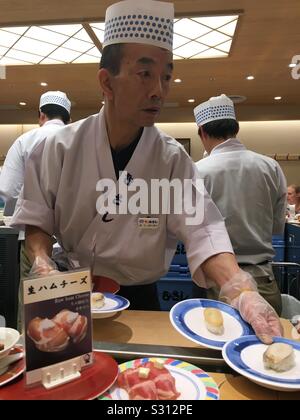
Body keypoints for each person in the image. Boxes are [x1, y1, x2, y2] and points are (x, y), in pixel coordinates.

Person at [12, 0, 282, 343]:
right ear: (106, 83)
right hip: (70, 290)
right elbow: (37, 221)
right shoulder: (58, 147)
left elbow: (203, 232)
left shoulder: (172, 159)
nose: (159, 90)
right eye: (144, 74)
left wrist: (239, 287)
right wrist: (41, 262)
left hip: (140, 297)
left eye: (165, 76)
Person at [194, 94, 287, 315]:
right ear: (236, 129)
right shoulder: (270, 166)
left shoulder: (198, 170)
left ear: (203, 133)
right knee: (269, 346)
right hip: (264, 279)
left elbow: (192, 230)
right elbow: (276, 226)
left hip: (218, 285)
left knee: (216, 348)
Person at [0, 91, 71, 212]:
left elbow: (10, 191)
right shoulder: (79, 140)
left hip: (32, 226)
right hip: (72, 226)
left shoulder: (23, 141)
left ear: (41, 115)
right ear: (69, 120)